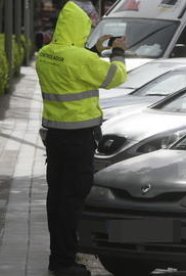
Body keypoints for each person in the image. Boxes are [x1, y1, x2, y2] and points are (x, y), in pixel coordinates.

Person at [35, 1, 127, 275]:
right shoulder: (80, 59)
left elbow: (73, 62)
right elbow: (116, 78)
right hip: (78, 139)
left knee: (58, 198)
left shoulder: (46, 54)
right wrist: (118, 51)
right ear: (79, 27)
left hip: (56, 138)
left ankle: (58, 257)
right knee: (73, 201)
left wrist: (96, 49)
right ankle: (65, 262)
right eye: (86, 28)